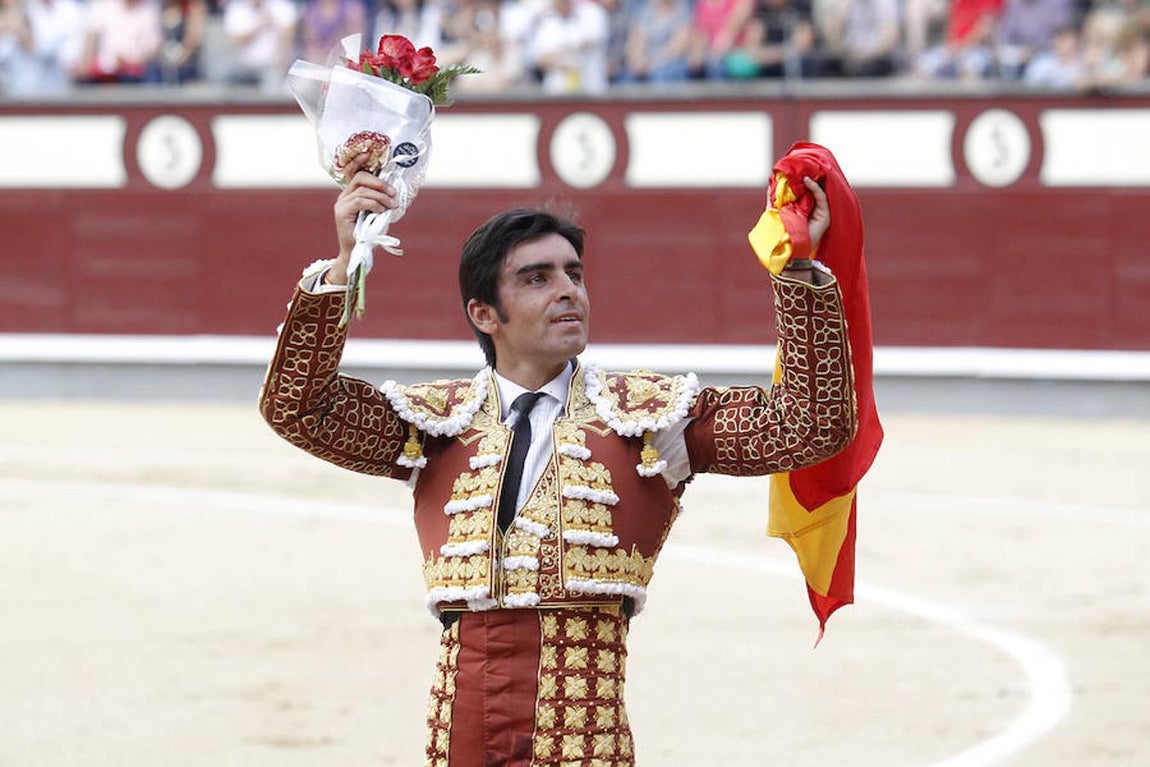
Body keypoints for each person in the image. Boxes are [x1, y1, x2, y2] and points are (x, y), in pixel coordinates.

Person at [259, 149, 862, 763]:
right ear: (484, 314)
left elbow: (810, 425)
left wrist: (797, 270)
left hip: (583, 729)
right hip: (459, 727)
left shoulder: (649, 420)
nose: (568, 291)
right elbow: (296, 408)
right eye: (537, 278)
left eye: (574, 274)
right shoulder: (436, 424)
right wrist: (345, 263)